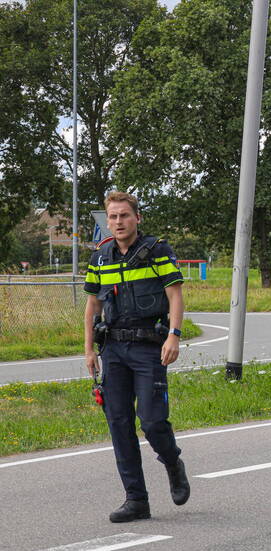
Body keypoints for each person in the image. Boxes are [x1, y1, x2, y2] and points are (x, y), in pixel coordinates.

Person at [83, 191, 190, 522]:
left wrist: (174, 335)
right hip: (112, 349)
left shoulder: (157, 251)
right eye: (113, 217)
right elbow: (92, 306)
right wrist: (88, 348)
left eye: (124, 215)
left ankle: (172, 461)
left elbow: (175, 296)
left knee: (153, 421)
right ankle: (136, 499)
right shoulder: (101, 258)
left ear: (137, 218)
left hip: (148, 348)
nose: (118, 222)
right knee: (119, 424)